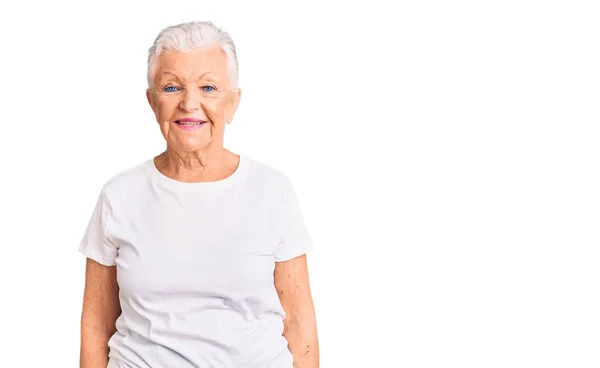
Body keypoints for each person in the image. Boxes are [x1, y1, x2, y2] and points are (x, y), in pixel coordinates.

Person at [79, 21, 319, 368]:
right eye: (172, 87)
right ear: (152, 101)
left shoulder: (272, 190)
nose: (190, 103)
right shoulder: (119, 195)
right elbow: (96, 324)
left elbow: (299, 323)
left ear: (232, 103)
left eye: (208, 87)